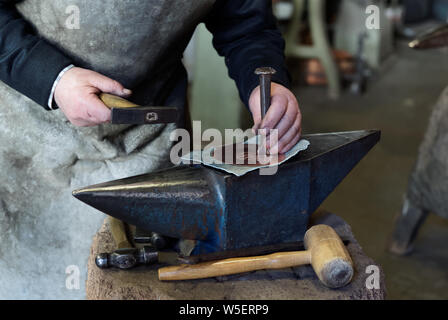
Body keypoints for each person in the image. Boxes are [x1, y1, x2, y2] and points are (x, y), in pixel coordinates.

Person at [0, 0, 301, 298]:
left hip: (150, 142)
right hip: (30, 143)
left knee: (138, 284)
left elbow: (247, 26)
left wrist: (266, 84)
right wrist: (54, 78)